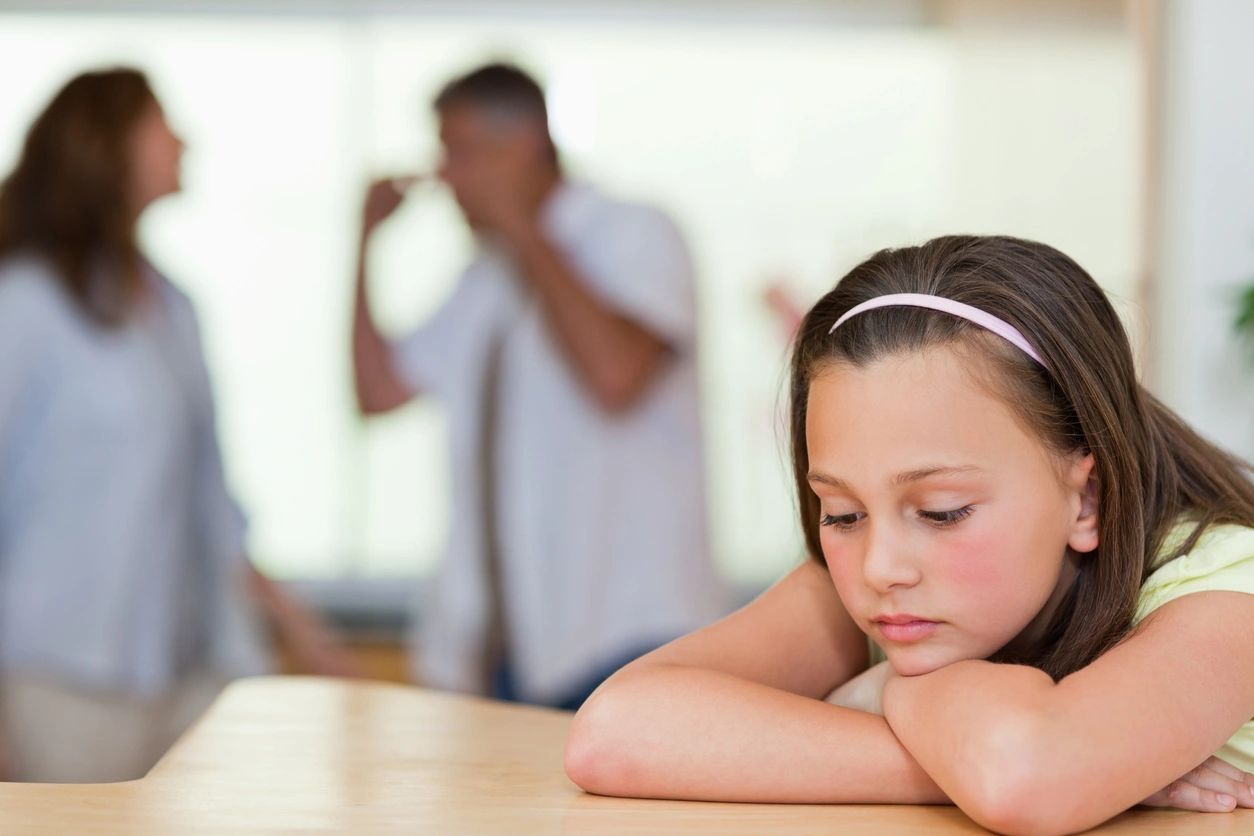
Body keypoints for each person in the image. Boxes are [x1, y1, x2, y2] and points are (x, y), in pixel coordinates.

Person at [565, 235, 1254, 833]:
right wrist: (956, 757)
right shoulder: (890, 579)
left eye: (943, 510)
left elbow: (1024, 777)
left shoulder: (1230, 591)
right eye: (840, 513)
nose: (880, 567)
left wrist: (895, 693)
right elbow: (615, 732)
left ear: (1087, 499)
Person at [0, 68, 359, 783]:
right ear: (106, 146)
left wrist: (301, 632)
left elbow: (210, 507)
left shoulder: (171, 307)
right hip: (60, 686)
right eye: (161, 124)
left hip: (184, 676)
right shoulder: (26, 304)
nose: (183, 141)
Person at [352, 63, 728, 709]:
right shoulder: (485, 278)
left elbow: (614, 375)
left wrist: (524, 225)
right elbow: (379, 392)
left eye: (458, 152)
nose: (444, 177)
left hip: (632, 638)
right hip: (515, 654)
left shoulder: (635, 232)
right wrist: (363, 246)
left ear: (523, 144)